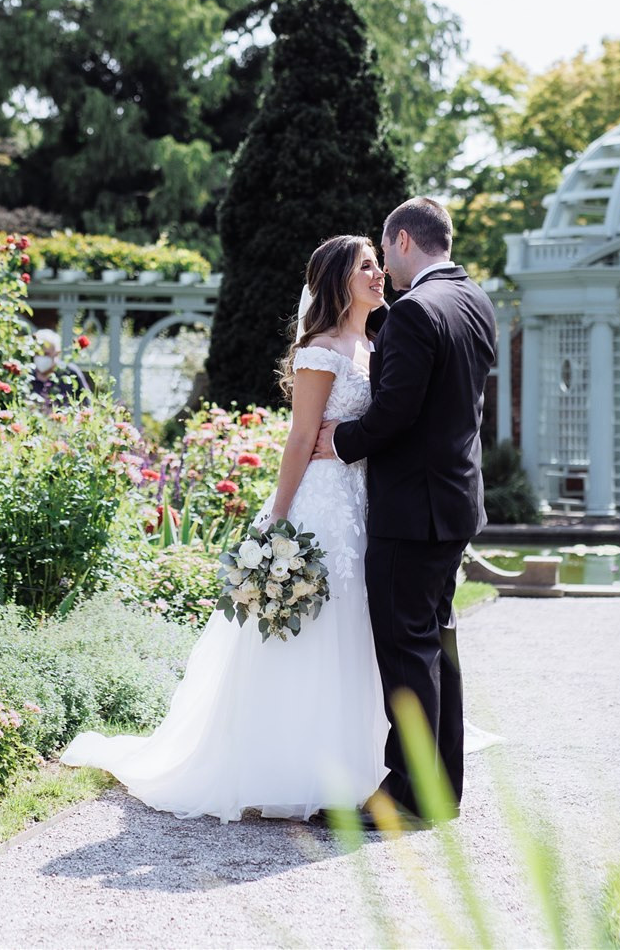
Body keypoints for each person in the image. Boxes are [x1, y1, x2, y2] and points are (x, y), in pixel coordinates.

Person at [59, 236, 390, 821]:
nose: (379, 273)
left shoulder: (373, 342)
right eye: (367, 265)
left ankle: (352, 764)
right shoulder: (321, 350)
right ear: (340, 279)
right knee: (309, 631)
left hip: (360, 500)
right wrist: (279, 523)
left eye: (378, 263)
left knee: (353, 629)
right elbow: (299, 437)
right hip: (319, 504)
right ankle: (288, 768)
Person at [315, 196, 495, 824]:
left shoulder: (416, 311)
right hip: (455, 502)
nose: (383, 269)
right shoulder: (476, 301)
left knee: (405, 646)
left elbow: (396, 414)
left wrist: (336, 441)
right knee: (436, 643)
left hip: (412, 508)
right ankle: (442, 784)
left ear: (402, 243)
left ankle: (409, 790)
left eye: (384, 253)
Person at [28, 328, 93, 408]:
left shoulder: (70, 373)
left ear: (57, 353)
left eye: (46, 354)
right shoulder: (27, 376)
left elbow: (87, 404)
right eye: (37, 353)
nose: (41, 357)